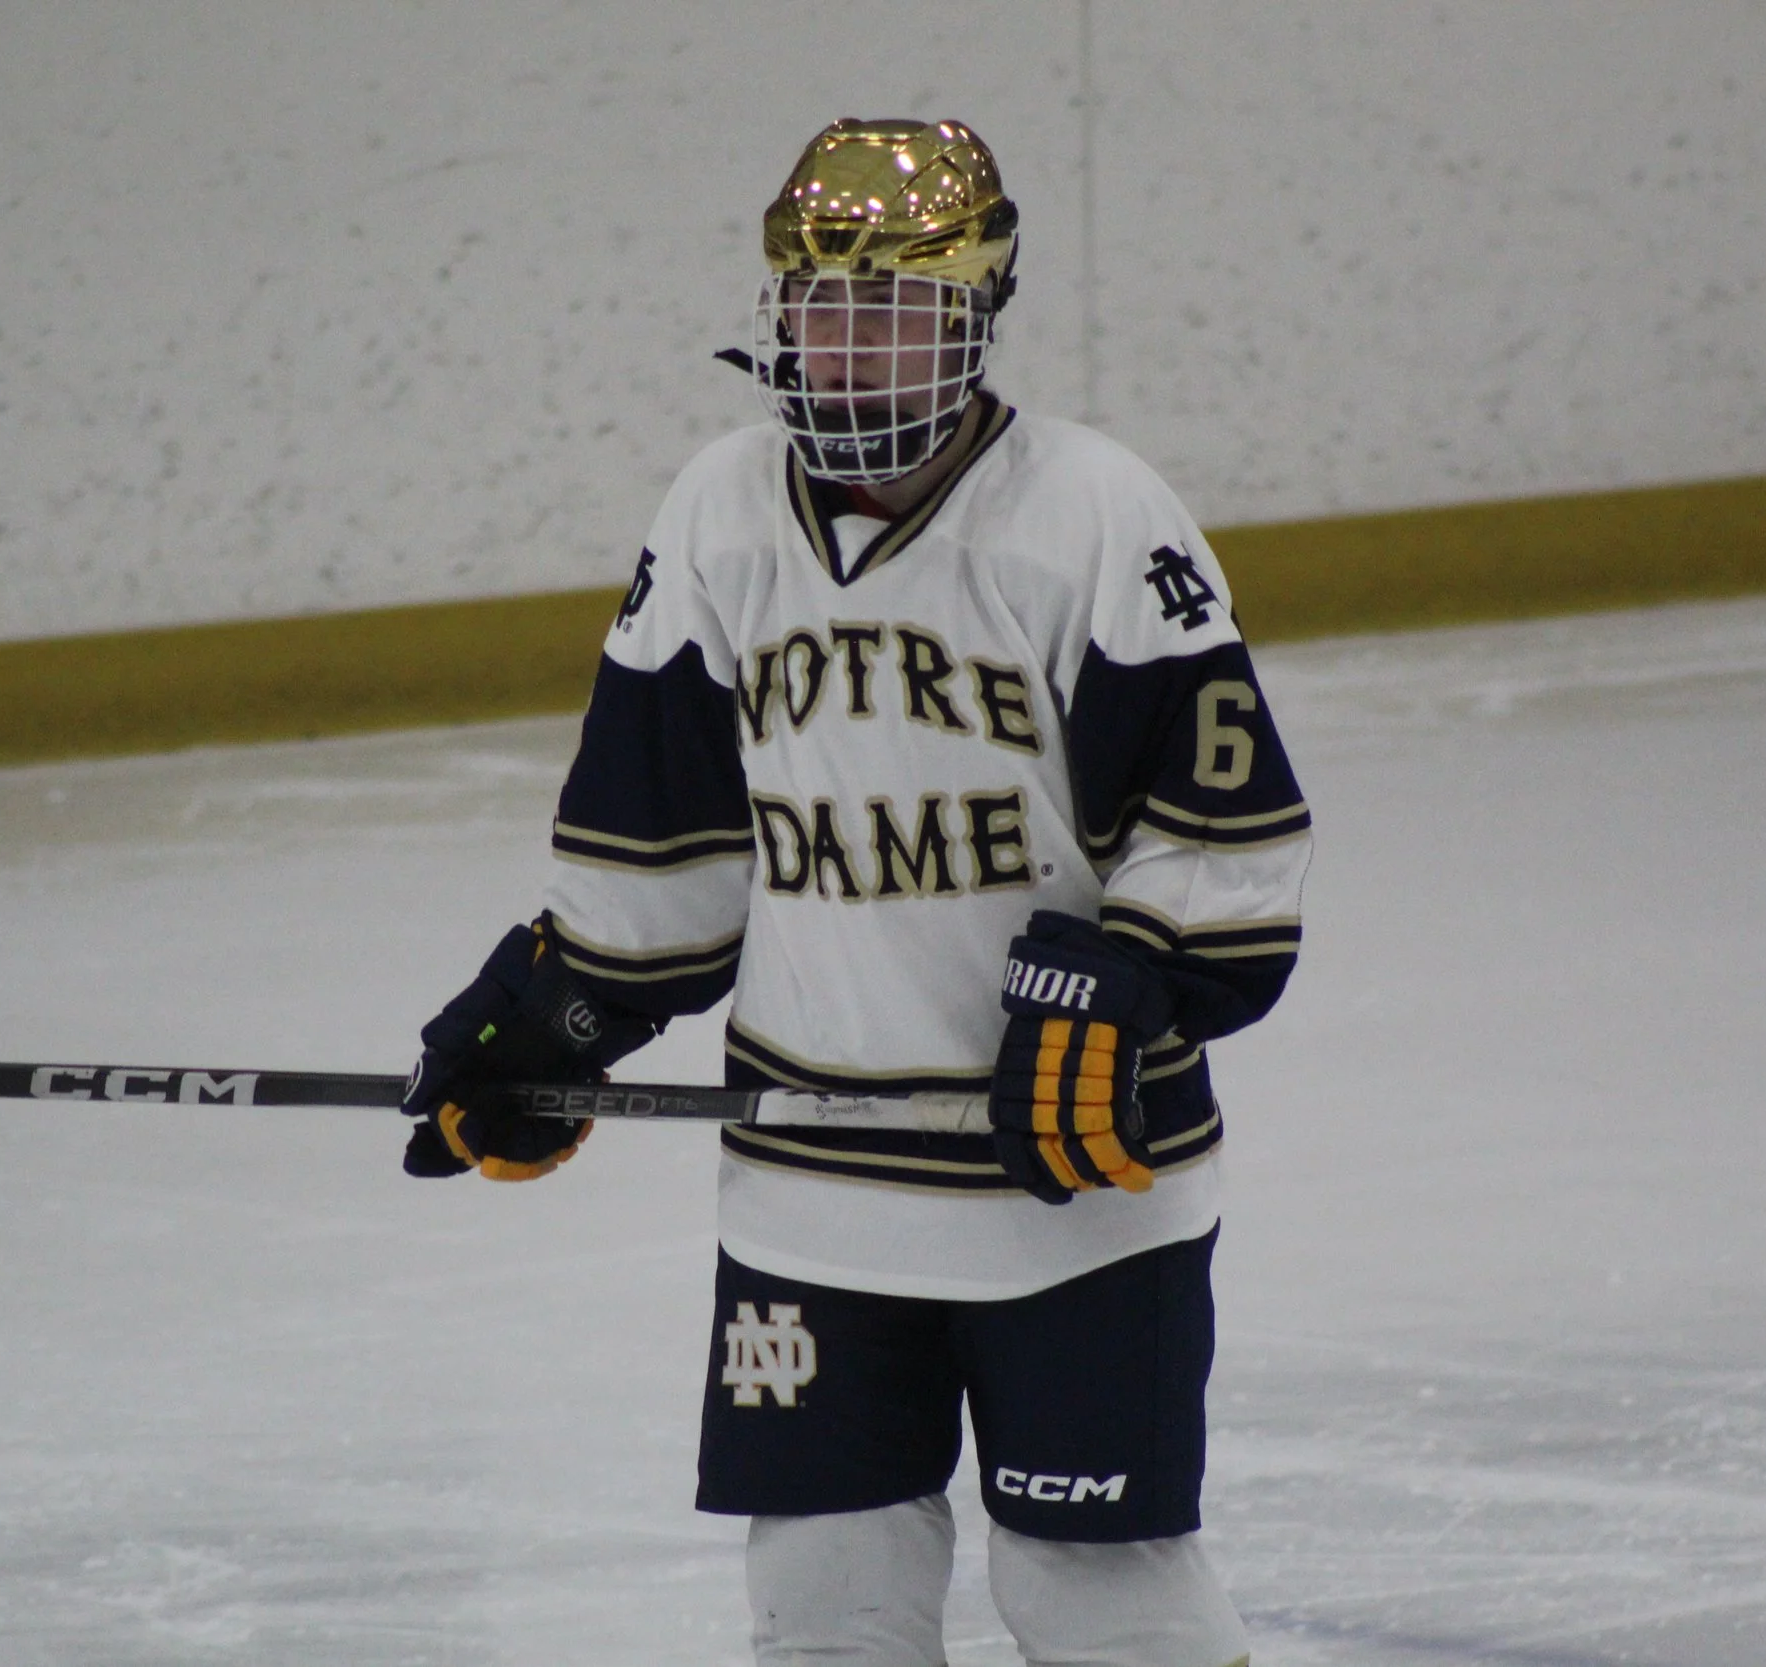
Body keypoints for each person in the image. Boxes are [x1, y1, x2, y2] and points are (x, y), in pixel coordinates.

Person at [400, 117, 1310, 1667]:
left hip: (1075, 1183)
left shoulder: (1092, 513)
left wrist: (1130, 980)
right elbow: (661, 836)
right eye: (822, 308)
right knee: (825, 1604)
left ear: (978, 315)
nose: (848, 348)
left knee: (1098, 1592)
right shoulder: (720, 511)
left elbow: (1222, 822)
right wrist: (555, 1014)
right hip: (810, 1193)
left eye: (895, 311)